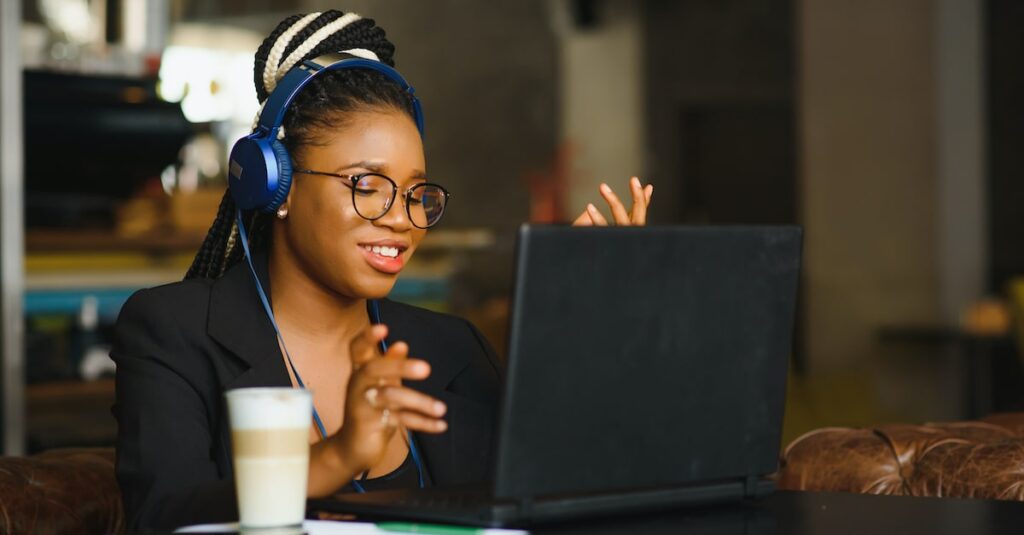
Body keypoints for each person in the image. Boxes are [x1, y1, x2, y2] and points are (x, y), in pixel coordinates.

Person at [111, 10, 653, 530]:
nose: (401, 219)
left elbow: (549, 492)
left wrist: (582, 326)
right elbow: (165, 517)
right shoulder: (173, 332)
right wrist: (339, 455)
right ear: (276, 185)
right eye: (366, 186)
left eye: (416, 193)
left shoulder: (451, 350)